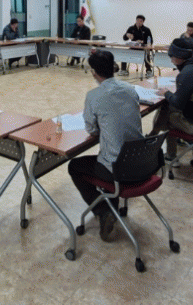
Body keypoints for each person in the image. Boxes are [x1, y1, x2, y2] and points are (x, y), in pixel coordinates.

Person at [68, 49, 143, 241]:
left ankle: (103, 211)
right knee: (109, 156)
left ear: (93, 72)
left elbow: (92, 130)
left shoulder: (94, 95)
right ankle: (110, 206)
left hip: (118, 169)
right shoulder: (130, 89)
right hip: (141, 161)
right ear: (113, 68)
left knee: (75, 166)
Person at [150, 39, 193, 163]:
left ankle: (169, 155)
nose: (171, 60)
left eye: (171, 56)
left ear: (178, 57)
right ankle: (152, 137)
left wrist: (166, 93)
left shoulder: (186, 74)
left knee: (167, 117)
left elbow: (178, 104)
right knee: (167, 107)